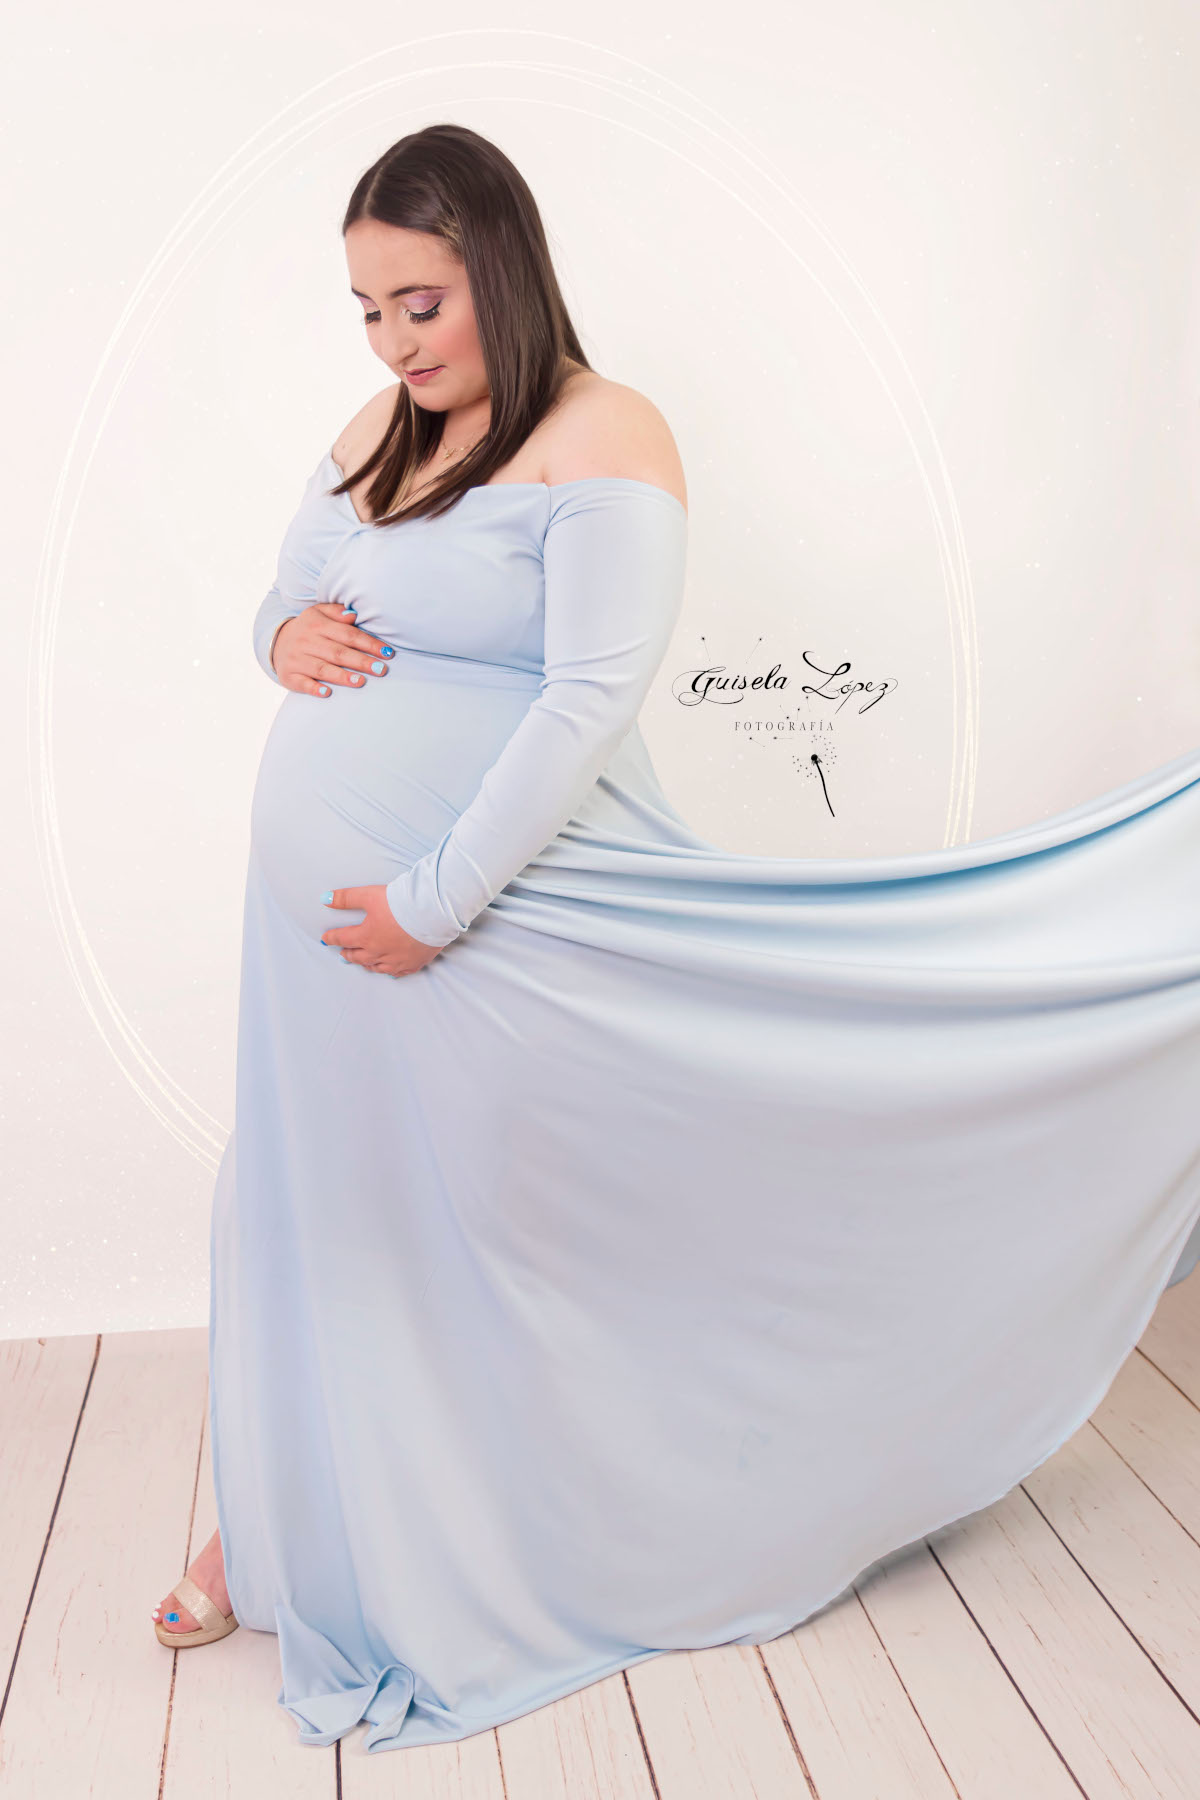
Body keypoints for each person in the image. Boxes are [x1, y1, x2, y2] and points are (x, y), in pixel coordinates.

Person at [152, 123, 1200, 1751]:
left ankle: (538, 1525)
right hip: (319, 955)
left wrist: (434, 900)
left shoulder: (605, 432)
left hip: (496, 922)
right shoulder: (376, 430)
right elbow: (279, 603)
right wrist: (281, 635)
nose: (394, 344)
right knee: (317, 1207)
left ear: (502, 265)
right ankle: (273, 1526)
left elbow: (587, 701)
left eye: (421, 304)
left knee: (496, 1228)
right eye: (366, 310)